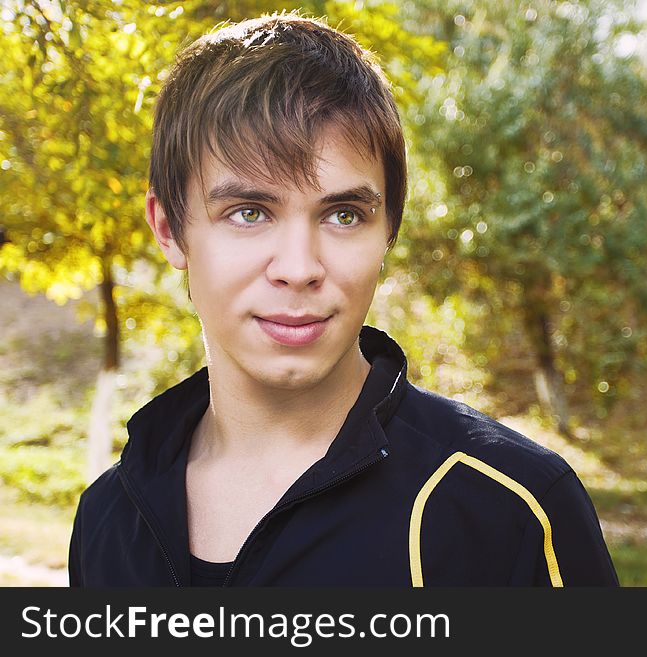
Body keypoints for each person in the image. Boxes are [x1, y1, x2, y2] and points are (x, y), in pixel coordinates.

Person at [67, 12, 618, 587]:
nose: (300, 268)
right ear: (169, 228)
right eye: (249, 213)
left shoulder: (507, 510)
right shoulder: (108, 520)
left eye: (343, 214)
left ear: (388, 232)